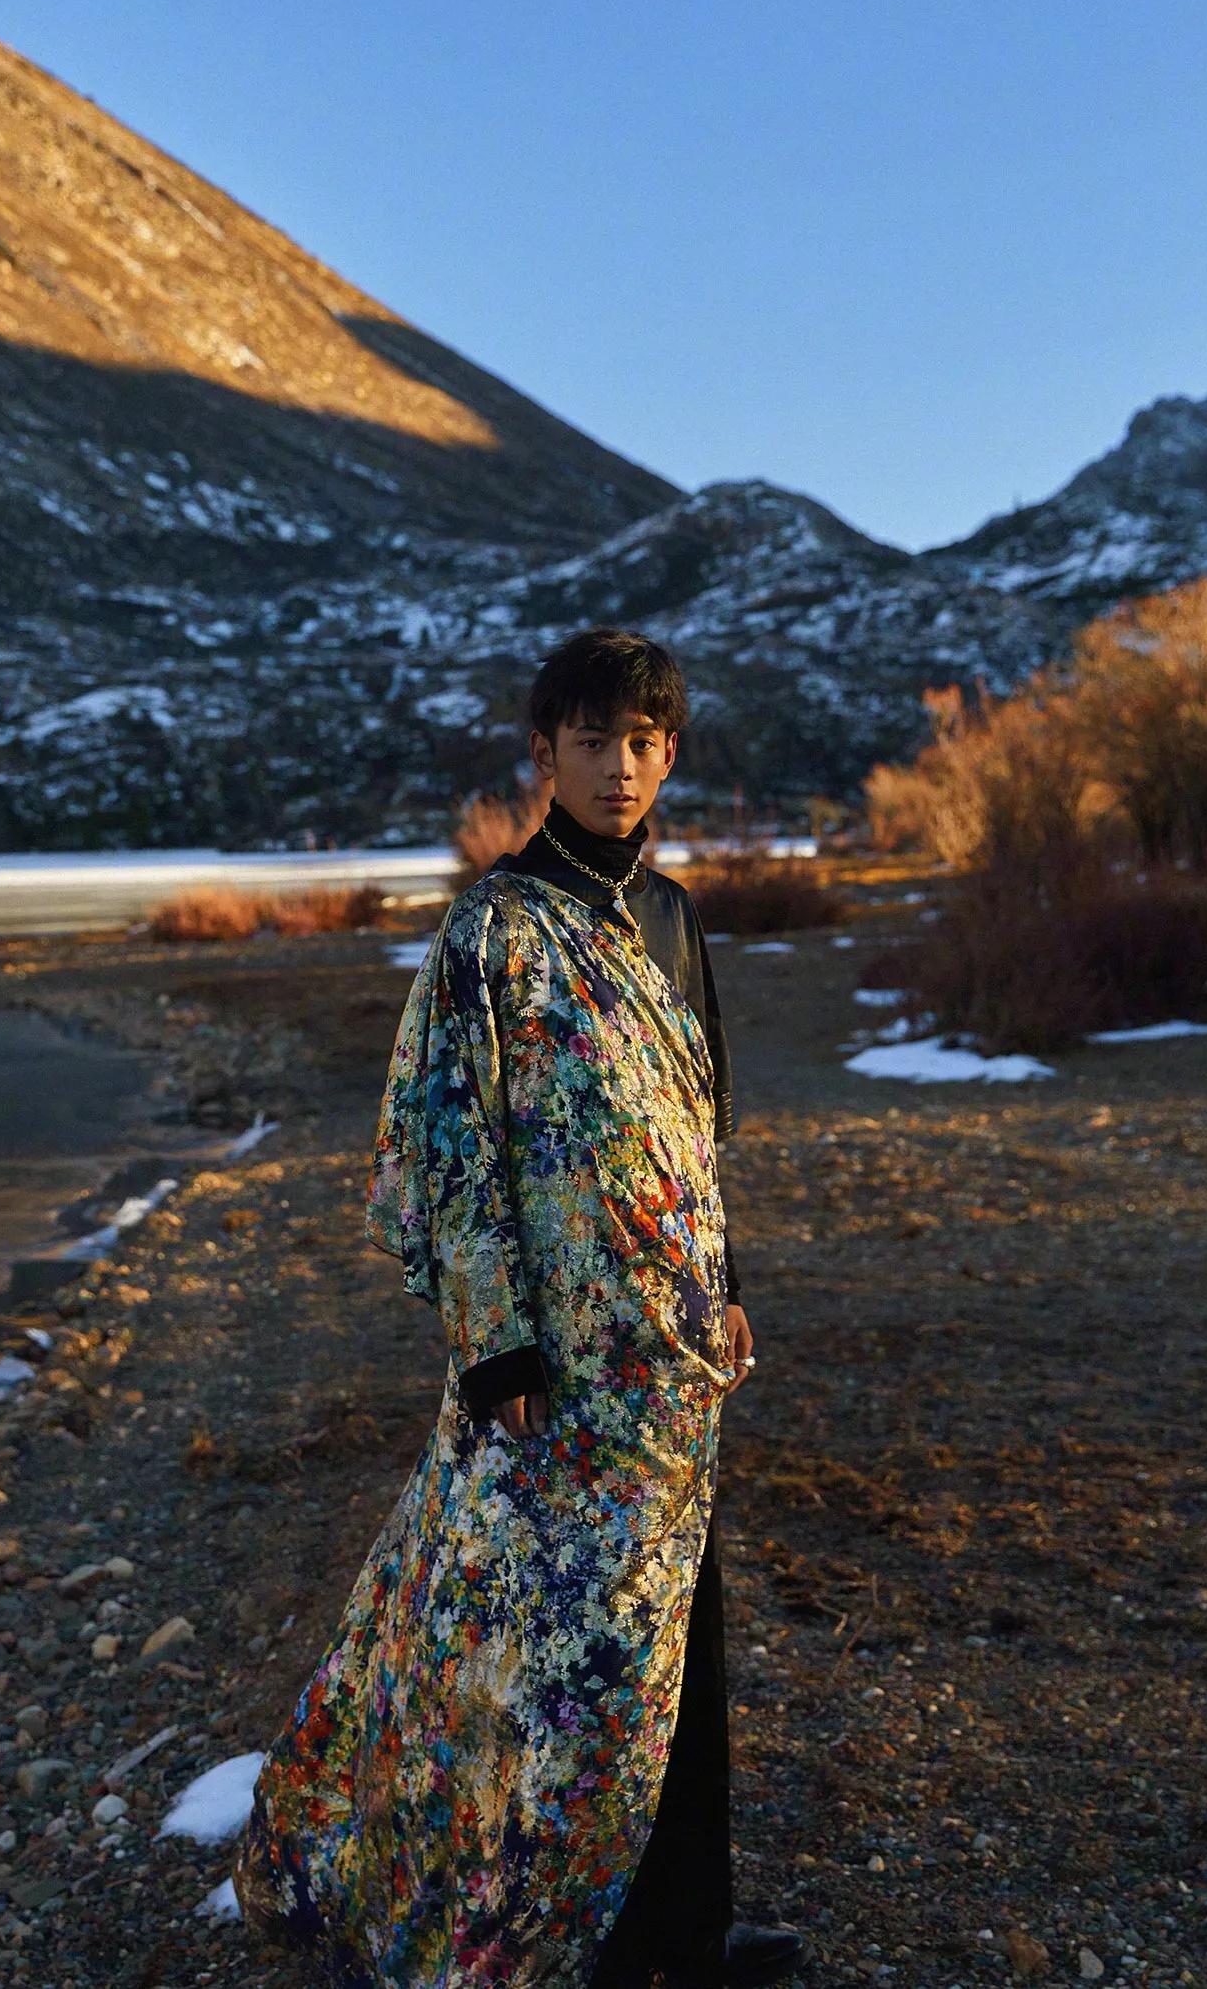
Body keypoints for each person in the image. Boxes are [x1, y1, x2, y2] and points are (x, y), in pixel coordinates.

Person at [234, 629, 803, 1988]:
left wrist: (726, 1286)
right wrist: (496, 1345)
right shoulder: (491, 929)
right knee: (540, 1658)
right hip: (555, 1364)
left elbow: (690, 1133)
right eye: (595, 741)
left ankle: (685, 1933)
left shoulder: (675, 918)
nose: (622, 768)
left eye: (645, 742)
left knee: (679, 1643)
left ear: (671, 753)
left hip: (670, 1360)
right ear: (545, 754)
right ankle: (535, 1933)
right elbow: (450, 1148)